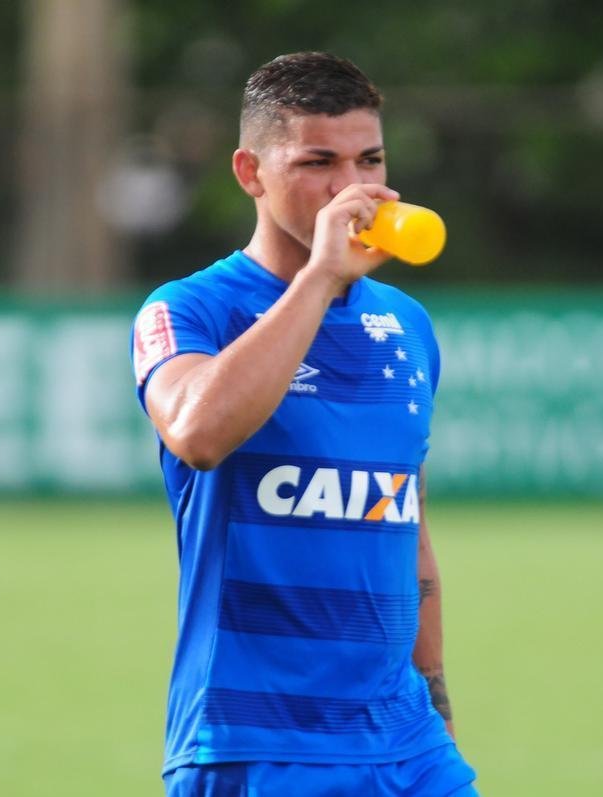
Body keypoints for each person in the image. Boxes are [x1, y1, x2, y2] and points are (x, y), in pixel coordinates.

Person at [130, 52, 478, 797]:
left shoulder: (406, 324)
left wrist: (437, 699)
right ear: (250, 172)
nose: (351, 189)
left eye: (370, 160)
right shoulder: (190, 309)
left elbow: (408, 526)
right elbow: (197, 431)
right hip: (257, 741)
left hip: (407, 744)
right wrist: (320, 277)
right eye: (321, 162)